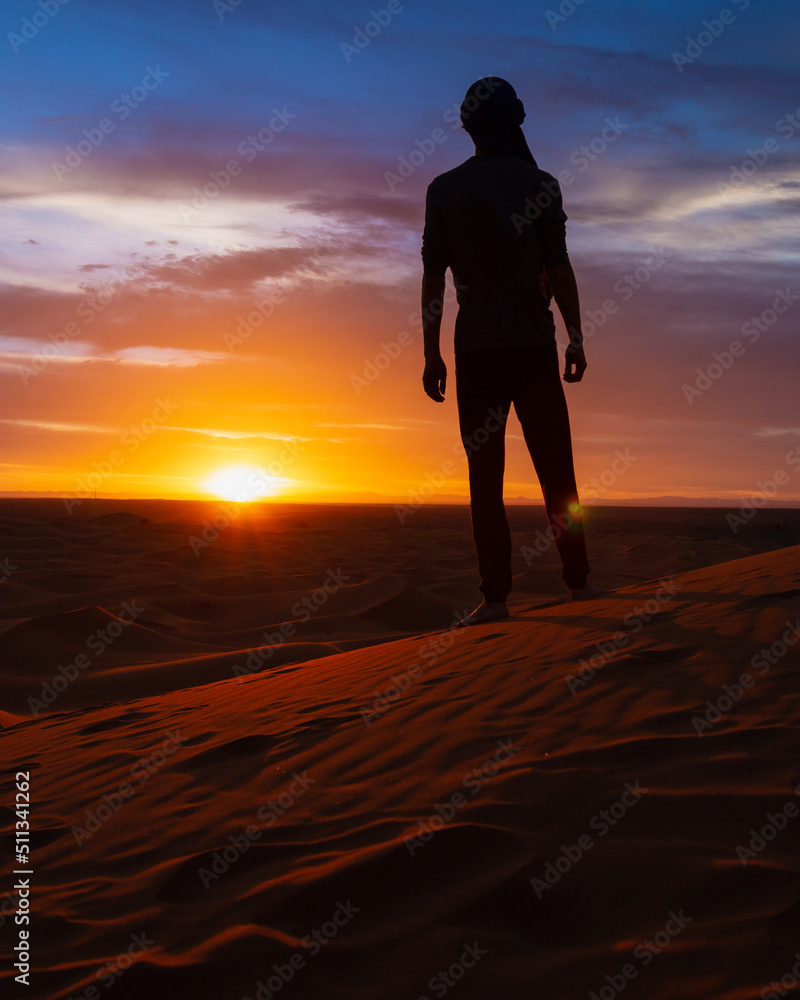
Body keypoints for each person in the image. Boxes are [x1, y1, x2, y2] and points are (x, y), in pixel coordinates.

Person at [420, 77, 600, 627]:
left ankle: (495, 600)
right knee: (557, 473)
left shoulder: (445, 188)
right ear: (516, 120)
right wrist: (575, 334)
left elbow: (434, 280)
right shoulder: (541, 182)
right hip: (532, 348)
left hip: (477, 352)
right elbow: (560, 266)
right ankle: (579, 585)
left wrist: (431, 353)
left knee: (485, 480)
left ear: (468, 126)